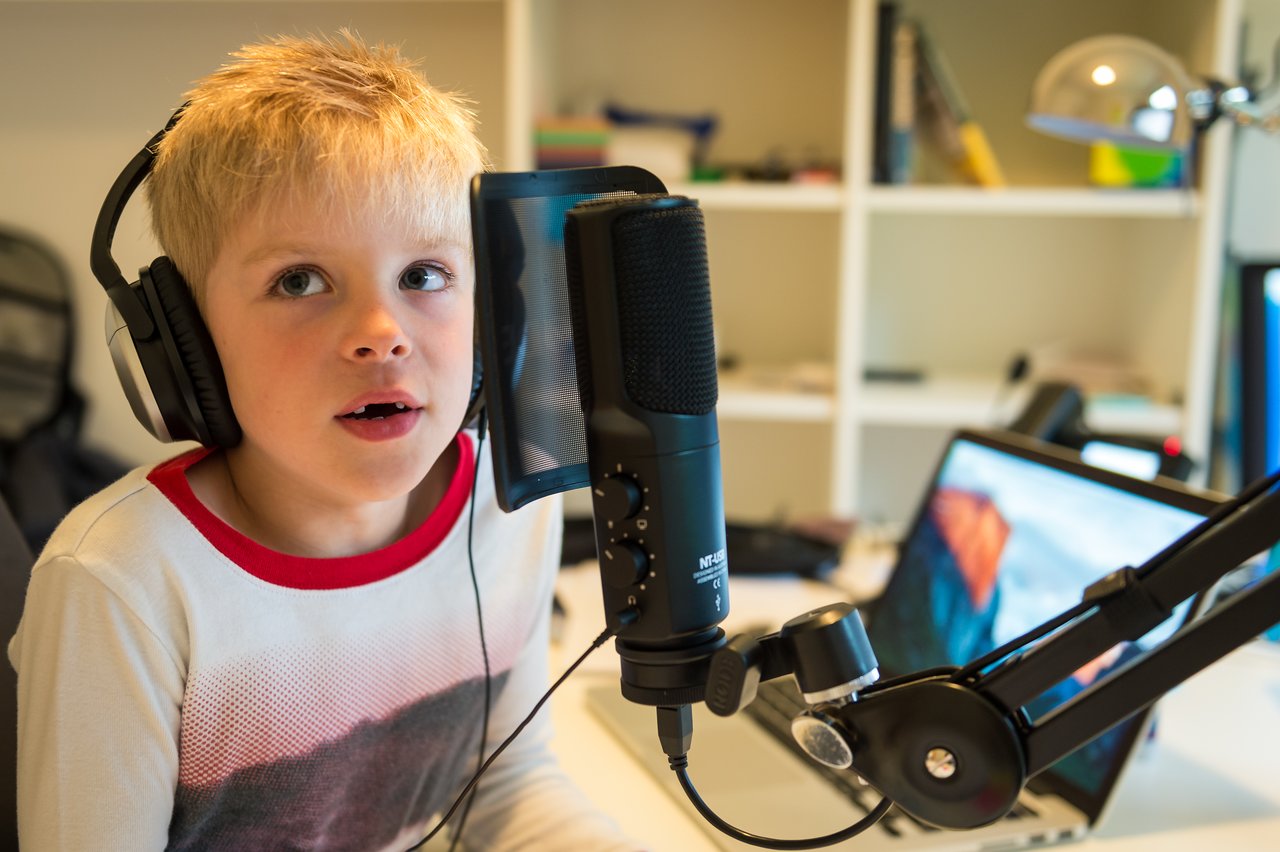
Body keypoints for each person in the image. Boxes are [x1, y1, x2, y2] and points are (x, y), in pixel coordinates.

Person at [8, 30, 636, 851]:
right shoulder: (122, 584)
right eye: (299, 280)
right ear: (187, 345)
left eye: (424, 275)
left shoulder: (506, 502)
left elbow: (504, 786)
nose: (382, 335)